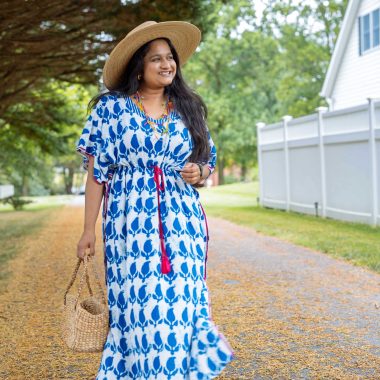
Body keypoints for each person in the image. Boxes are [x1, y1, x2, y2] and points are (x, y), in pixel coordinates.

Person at [75, 20, 234, 379]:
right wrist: (88, 231)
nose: (166, 65)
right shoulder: (111, 110)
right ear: (138, 67)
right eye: (155, 59)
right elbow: (97, 174)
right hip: (129, 225)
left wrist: (199, 173)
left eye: (170, 58)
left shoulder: (187, 107)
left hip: (182, 224)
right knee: (138, 309)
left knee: (180, 306)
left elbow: (207, 159)